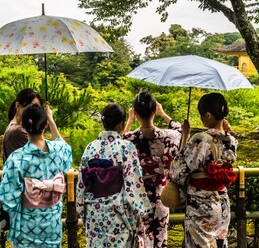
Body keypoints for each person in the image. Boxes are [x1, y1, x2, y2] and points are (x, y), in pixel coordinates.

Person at [76, 103, 152, 247]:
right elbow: (133, 182)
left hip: (94, 210)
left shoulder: (90, 147)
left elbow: (82, 182)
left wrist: (81, 208)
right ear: (121, 124)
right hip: (118, 211)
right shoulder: (126, 147)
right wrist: (141, 210)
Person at [169, 92, 238, 248]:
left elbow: (177, 171)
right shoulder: (232, 140)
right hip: (222, 201)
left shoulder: (200, 138)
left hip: (201, 203)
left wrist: (185, 134)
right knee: (219, 243)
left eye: (202, 115)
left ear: (208, 115)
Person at [0, 103, 72, 247]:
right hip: (53, 227)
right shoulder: (59, 150)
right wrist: (51, 120)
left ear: (23, 126)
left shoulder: (16, 159)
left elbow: (8, 200)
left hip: (26, 230)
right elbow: (65, 148)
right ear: (45, 124)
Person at [123, 91, 189, 248]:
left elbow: (120, 142)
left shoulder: (129, 140)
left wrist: (130, 120)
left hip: (137, 198)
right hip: (161, 196)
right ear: (154, 110)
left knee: (138, 239)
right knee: (160, 238)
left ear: (135, 112)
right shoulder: (170, 136)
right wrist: (164, 114)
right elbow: (182, 130)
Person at [2, 88, 43, 162]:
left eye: (37, 108)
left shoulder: (15, 128)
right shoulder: (18, 131)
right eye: (30, 107)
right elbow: (46, 158)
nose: (34, 111)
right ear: (17, 106)